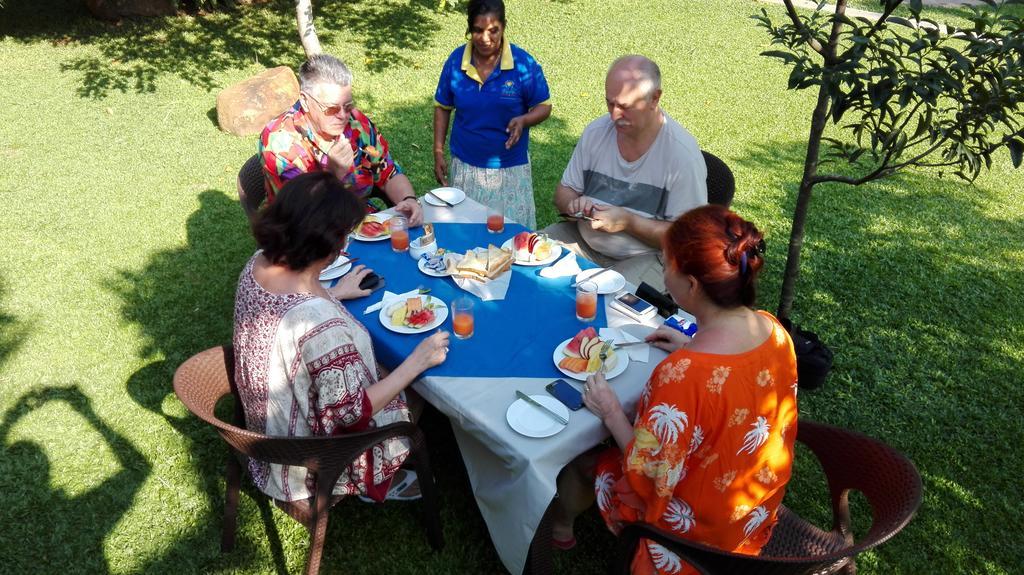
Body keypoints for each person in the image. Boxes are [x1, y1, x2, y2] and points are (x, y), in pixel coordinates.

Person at [552, 205, 798, 574]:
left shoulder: (682, 376)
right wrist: (689, 347)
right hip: (752, 508)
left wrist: (610, 411)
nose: (664, 275)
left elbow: (647, 472)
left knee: (579, 458)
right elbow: (736, 387)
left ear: (693, 285)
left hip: (691, 537)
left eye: (667, 265)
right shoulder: (773, 329)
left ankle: (560, 529)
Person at [233, 172, 449, 503]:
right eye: (343, 239)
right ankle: (378, 479)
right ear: (327, 247)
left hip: (264, 424)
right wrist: (415, 363)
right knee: (414, 385)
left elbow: (293, 306)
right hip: (304, 459)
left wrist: (333, 292)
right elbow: (350, 414)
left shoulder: (258, 262)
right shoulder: (320, 325)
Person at [542, 55, 707, 291]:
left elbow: (687, 240)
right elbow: (564, 192)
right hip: (583, 240)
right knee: (525, 261)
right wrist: (574, 206)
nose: (614, 115)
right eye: (610, 103)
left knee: (600, 301)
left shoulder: (681, 155)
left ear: (655, 98)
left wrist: (627, 222)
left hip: (646, 256)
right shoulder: (596, 132)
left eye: (625, 106)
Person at [259, 54, 423, 225]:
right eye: (331, 109)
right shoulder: (280, 142)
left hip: (360, 221)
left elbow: (386, 170)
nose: (343, 116)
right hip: (305, 235)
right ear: (305, 101)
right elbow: (303, 215)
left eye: (348, 106)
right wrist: (333, 174)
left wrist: (409, 199)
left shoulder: (356, 124)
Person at [433, 0, 551, 229]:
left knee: (509, 242)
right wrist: (438, 150)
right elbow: (442, 106)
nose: (485, 38)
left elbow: (544, 106)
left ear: (504, 27)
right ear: (469, 29)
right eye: (477, 30)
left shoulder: (523, 64)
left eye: (493, 30)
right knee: (466, 239)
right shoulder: (456, 61)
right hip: (465, 168)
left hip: (509, 172)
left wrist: (524, 120)